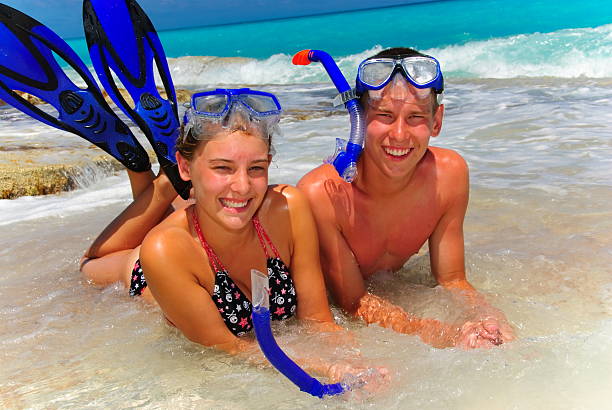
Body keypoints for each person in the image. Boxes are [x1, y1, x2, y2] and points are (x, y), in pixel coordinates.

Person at [80, 89, 380, 382]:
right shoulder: (163, 251)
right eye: (223, 167)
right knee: (93, 263)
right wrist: (324, 368)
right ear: (186, 166)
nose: (243, 185)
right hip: (150, 268)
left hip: (209, 214)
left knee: (219, 202)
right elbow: (230, 347)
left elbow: (318, 320)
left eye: (256, 168)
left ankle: (176, 181)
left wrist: (360, 363)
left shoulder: (289, 209)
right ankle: (157, 180)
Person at [297, 48, 515, 349]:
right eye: (385, 116)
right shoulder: (322, 194)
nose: (399, 135)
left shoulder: (448, 176)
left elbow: (452, 279)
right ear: (358, 119)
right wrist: (442, 334)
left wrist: (490, 318)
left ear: (436, 121)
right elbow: (353, 301)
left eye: (415, 118)